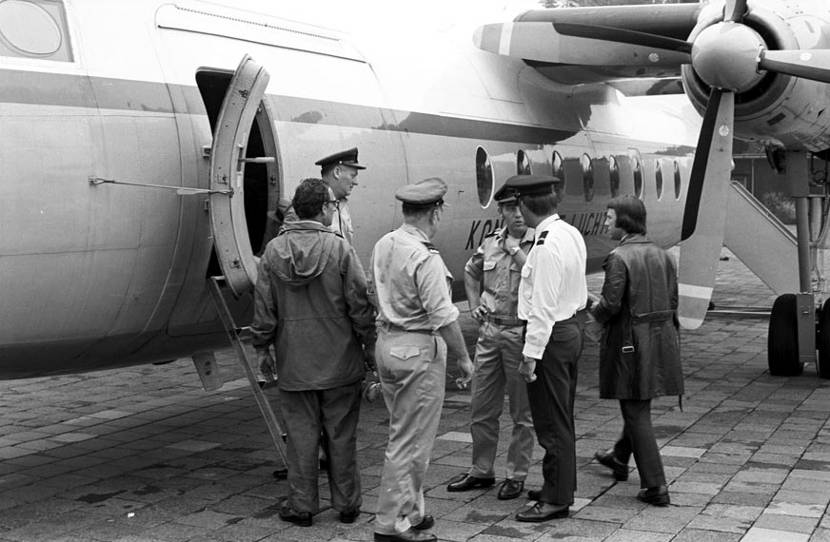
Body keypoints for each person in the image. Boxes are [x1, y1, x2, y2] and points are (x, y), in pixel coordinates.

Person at [251, 178, 376, 527]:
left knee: (301, 438)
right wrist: (369, 345)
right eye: (331, 206)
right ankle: (348, 504)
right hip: (341, 362)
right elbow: (359, 305)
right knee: (342, 435)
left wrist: (262, 347)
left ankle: (302, 506)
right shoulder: (340, 249)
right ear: (322, 209)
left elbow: (264, 312)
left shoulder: (273, 252)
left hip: (295, 364)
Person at [370, 178, 475, 542]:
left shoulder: (386, 243)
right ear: (435, 211)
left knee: (404, 431)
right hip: (418, 352)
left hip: (388, 345)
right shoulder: (424, 257)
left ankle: (413, 510)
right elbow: (444, 316)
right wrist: (464, 359)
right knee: (411, 442)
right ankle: (391, 524)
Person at [589, 195, 683, 507]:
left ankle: (656, 485)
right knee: (639, 405)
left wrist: (592, 306)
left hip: (631, 343)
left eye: (609, 216)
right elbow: (672, 300)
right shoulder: (663, 254)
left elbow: (611, 305)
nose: (605, 222)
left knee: (635, 410)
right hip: (661, 339)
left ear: (624, 221)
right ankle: (619, 456)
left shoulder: (619, 257)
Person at [446, 183, 535, 501]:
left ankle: (516, 474)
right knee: (482, 407)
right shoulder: (490, 244)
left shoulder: (538, 242)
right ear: (501, 211)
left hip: (519, 333)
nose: (516, 213)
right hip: (489, 333)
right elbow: (470, 272)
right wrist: (472, 304)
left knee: (522, 413)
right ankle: (481, 470)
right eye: (509, 207)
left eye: (520, 206)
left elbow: (536, 278)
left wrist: (515, 249)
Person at [507, 174, 587, 522]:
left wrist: (530, 356)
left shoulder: (545, 244)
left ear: (524, 207)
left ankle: (556, 499)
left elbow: (542, 307)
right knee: (562, 416)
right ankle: (560, 485)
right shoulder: (568, 233)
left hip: (551, 336)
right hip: (570, 328)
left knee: (551, 422)